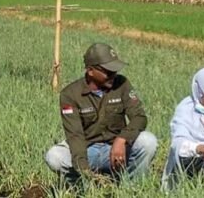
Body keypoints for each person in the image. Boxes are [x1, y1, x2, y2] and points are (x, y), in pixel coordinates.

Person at [44, 43, 158, 186]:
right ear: (91, 71)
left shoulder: (122, 84)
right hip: (87, 149)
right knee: (54, 157)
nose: (113, 75)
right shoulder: (70, 94)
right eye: (108, 72)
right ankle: (82, 187)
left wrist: (122, 139)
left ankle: (131, 188)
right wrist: (84, 169)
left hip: (116, 149)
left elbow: (139, 117)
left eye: (115, 71)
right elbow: (75, 136)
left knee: (148, 141)